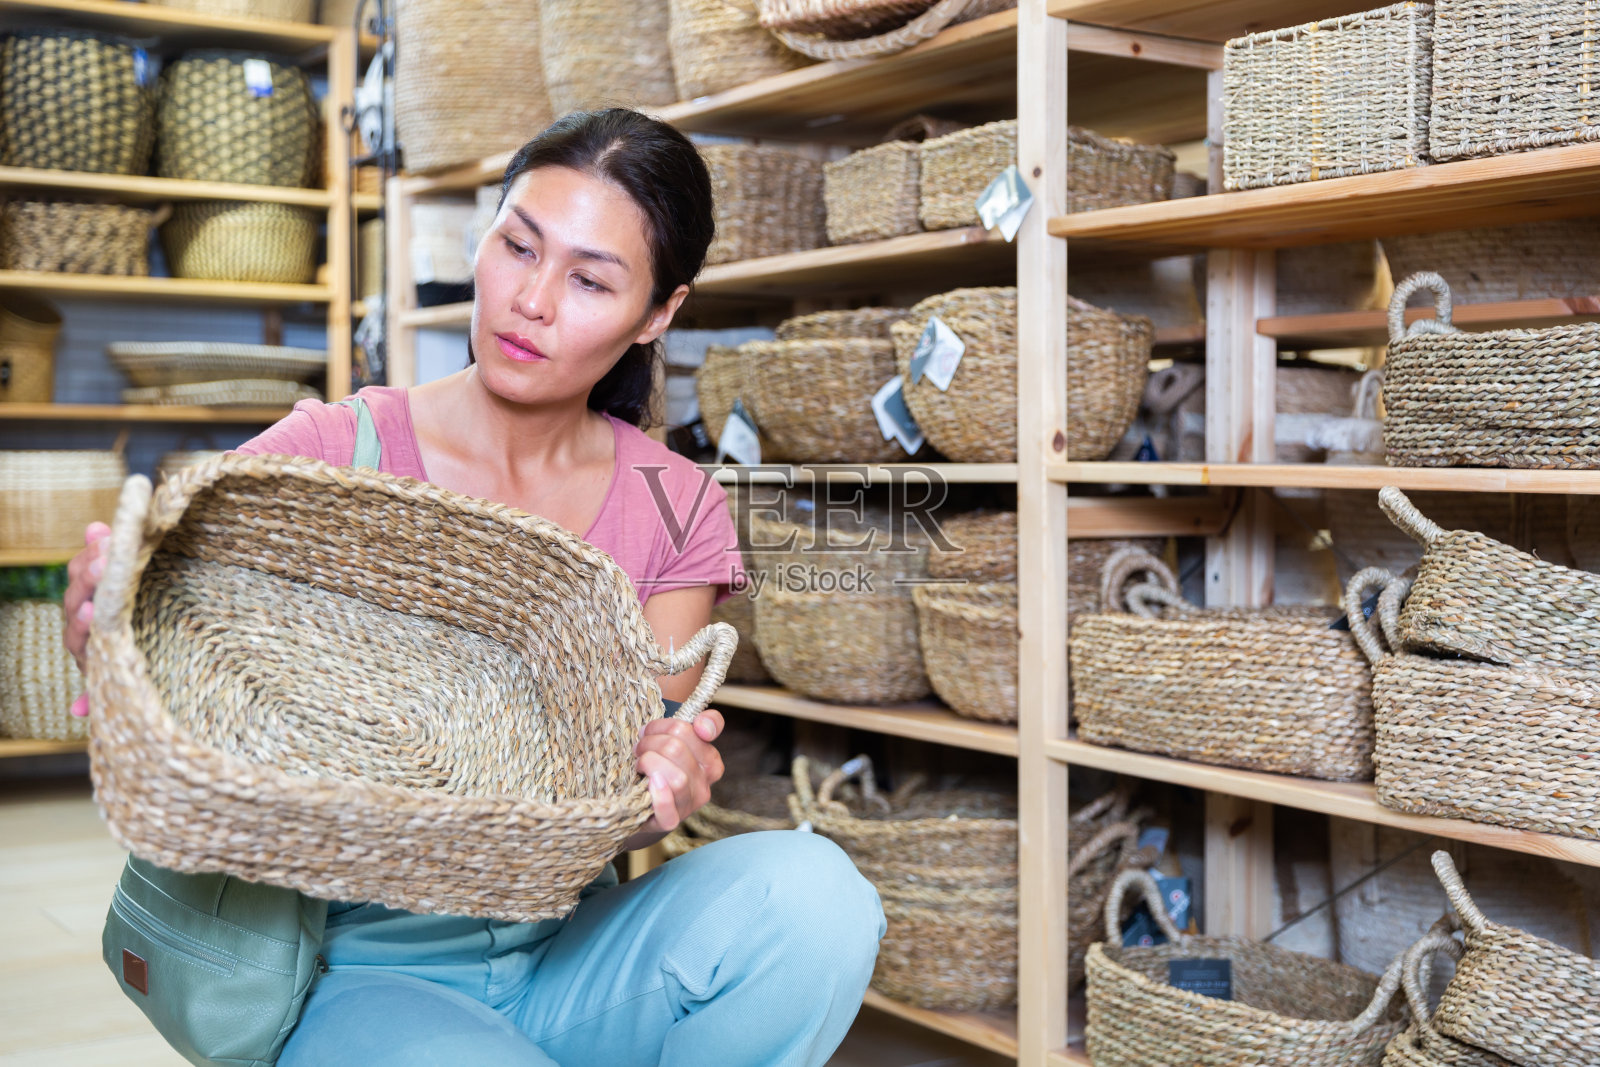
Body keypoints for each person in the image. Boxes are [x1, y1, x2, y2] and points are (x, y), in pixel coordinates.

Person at [61, 108, 885, 1067]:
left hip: (566, 951)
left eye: (589, 279)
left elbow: (638, 754)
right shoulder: (337, 451)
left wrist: (670, 763)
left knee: (819, 898)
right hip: (354, 979)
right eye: (517, 245)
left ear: (657, 314)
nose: (530, 300)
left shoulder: (676, 501)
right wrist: (104, 621)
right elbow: (168, 637)